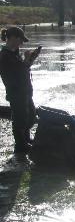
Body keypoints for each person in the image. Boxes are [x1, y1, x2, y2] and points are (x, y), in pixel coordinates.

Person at [0, 26, 41, 154]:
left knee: (30, 116)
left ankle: (26, 139)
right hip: (16, 92)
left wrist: (30, 59)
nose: (22, 43)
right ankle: (20, 146)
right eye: (20, 39)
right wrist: (27, 59)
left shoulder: (14, 53)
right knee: (20, 119)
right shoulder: (4, 56)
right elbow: (17, 73)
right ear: (12, 38)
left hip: (25, 91)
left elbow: (23, 69)